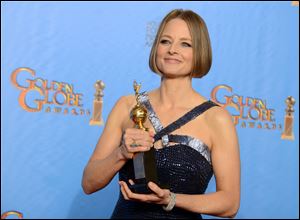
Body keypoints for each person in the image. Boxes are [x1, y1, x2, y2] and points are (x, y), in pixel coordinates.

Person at [82, 9, 240, 219]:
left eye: (186, 43)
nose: (172, 50)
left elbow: (230, 203)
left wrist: (171, 199)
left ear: (200, 51)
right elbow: (89, 183)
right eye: (166, 41)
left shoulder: (216, 118)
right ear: (156, 47)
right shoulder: (127, 105)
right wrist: (121, 153)